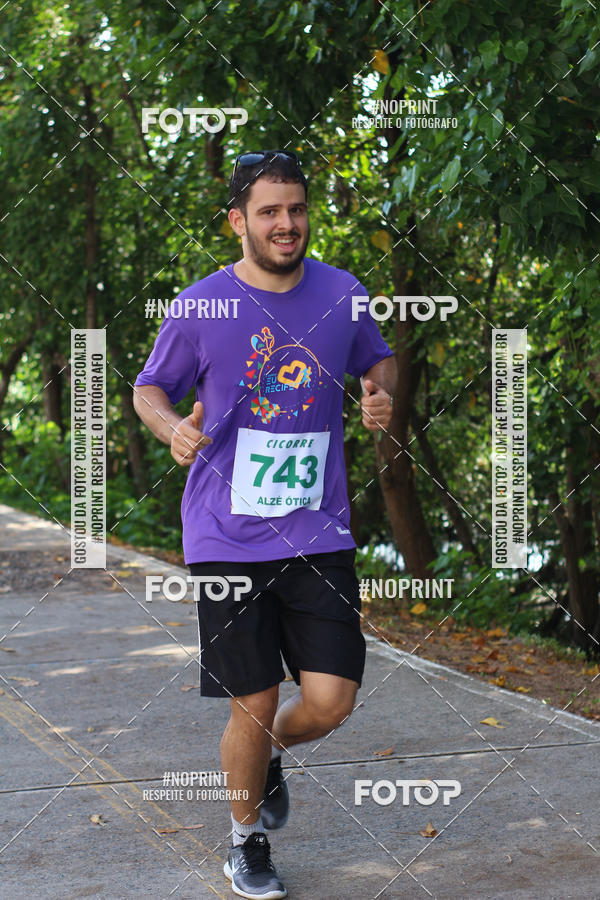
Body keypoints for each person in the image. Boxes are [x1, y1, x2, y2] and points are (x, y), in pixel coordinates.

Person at [133, 149, 396, 899]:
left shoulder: (343, 294)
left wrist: (378, 393)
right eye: (269, 211)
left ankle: (269, 752)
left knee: (330, 702)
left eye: (297, 209)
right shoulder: (201, 307)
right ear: (237, 222)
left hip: (319, 532)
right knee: (251, 700)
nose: (286, 223)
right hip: (225, 535)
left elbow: (378, 360)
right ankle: (245, 843)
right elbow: (149, 388)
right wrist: (171, 430)